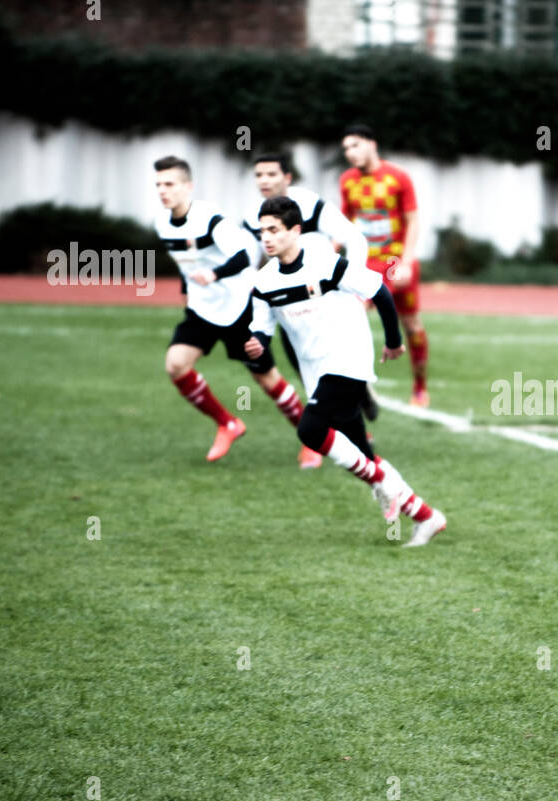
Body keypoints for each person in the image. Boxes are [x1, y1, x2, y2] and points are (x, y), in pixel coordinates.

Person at [245, 196, 446, 546]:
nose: (266, 237)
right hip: (315, 371)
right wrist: (257, 342)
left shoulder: (326, 263)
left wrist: (394, 341)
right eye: (262, 231)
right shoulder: (263, 283)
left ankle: (383, 485)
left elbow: (378, 290)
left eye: (274, 230)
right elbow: (262, 328)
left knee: (310, 429)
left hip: (348, 357)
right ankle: (426, 517)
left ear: (295, 231)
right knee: (360, 453)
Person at [152, 155, 310, 464]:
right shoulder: (161, 224)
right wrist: (188, 292)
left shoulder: (210, 218)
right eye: (158, 184)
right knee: (176, 364)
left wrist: (214, 275)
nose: (162, 190)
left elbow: (241, 257)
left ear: (188, 186)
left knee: (267, 381)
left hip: (240, 308)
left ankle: (311, 439)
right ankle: (228, 423)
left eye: (169, 184)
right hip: (202, 309)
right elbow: (187, 266)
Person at [243, 151, 376, 452]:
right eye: (259, 175)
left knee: (339, 365)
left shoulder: (311, 204)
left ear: (287, 177)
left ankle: (338, 428)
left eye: (271, 174)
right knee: (305, 363)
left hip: (328, 301)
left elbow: (354, 238)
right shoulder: (252, 215)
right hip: (289, 306)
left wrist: (356, 284)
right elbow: (249, 261)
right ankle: (329, 430)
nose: (264, 180)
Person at [339, 125, 431, 408]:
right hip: (366, 264)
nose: (350, 153)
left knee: (412, 325)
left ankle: (419, 387)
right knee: (354, 317)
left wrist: (406, 261)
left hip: (395, 263)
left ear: (371, 144)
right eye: (346, 149)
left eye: (355, 146)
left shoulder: (398, 177)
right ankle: (361, 382)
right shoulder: (347, 181)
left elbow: (413, 220)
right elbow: (343, 225)